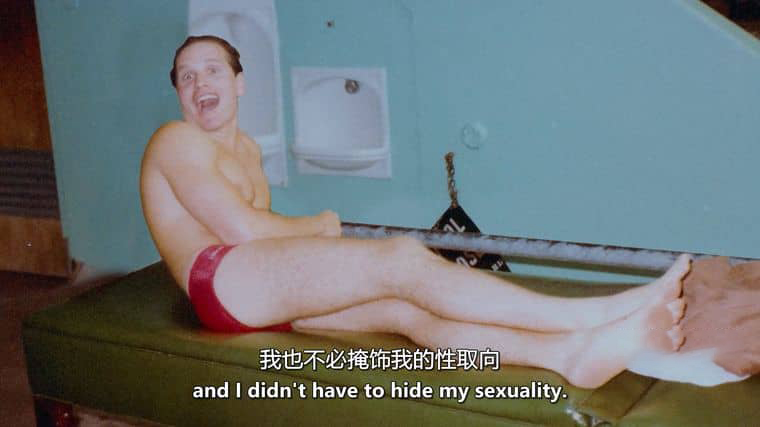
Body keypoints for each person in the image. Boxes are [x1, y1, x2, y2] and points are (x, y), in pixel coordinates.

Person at [140, 35, 692, 389]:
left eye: (212, 70)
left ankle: (565, 356)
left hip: (260, 294)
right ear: (180, 96)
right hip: (218, 281)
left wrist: (312, 240)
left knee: (406, 314)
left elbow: (263, 242)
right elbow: (242, 231)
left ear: (238, 83)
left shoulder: (245, 150)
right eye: (186, 76)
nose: (199, 83)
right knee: (401, 260)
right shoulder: (176, 140)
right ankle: (591, 316)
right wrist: (320, 226)